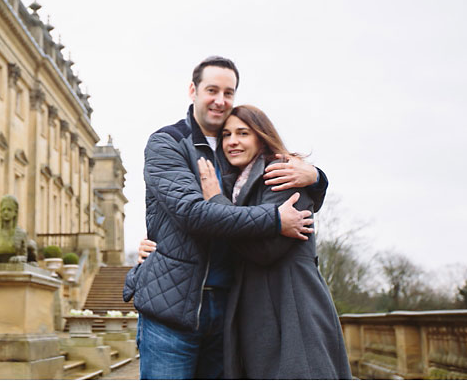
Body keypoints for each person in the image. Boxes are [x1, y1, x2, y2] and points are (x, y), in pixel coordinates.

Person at [123, 56, 328, 379]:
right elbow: (191, 213)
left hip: (231, 311)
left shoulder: (236, 153)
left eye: (228, 93)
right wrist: (275, 219)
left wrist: (317, 177)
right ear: (193, 90)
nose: (220, 101)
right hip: (173, 308)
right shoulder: (167, 142)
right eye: (212, 90)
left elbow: (274, 186)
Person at [198, 105, 350, 379]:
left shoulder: (284, 172)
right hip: (259, 308)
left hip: (291, 306)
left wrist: (216, 204)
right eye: (227, 135)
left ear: (261, 136)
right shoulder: (237, 184)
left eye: (243, 133)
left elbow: (265, 249)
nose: (232, 141)